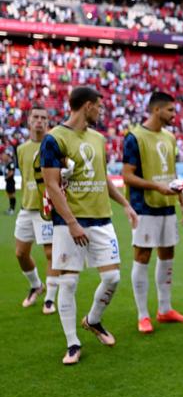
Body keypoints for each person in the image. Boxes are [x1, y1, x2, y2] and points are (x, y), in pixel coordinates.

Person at [41, 86, 139, 365]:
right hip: (68, 222)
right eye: (99, 106)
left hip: (101, 219)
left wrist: (125, 204)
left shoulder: (97, 138)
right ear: (86, 106)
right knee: (69, 282)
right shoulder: (54, 139)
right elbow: (51, 185)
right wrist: (71, 223)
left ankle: (93, 320)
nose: (102, 111)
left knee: (112, 278)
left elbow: (103, 177)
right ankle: (72, 343)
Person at [122, 92, 183, 334]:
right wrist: (156, 186)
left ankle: (165, 309)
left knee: (167, 255)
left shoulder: (170, 137)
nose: (174, 115)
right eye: (170, 110)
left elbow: (172, 174)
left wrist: (182, 203)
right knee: (142, 256)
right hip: (144, 207)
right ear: (156, 110)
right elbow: (127, 176)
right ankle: (143, 315)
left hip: (167, 207)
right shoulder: (134, 137)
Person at [14, 104, 57, 313]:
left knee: (50, 253)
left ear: (47, 122)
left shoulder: (53, 145)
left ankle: (50, 298)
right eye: (36, 117)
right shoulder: (21, 149)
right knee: (21, 253)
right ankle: (35, 285)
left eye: (43, 117)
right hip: (26, 208)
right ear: (29, 121)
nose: (39, 121)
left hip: (45, 208)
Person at [3, 150, 17, 214]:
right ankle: (10, 208)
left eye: (5, 155)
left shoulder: (11, 163)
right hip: (8, 182)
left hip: (11, 182)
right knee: (9, 195)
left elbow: (11, 172)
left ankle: (12, 209)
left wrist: (6, 177)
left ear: (8, 156)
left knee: (12, 195)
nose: (4, 156)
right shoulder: (7, 163)